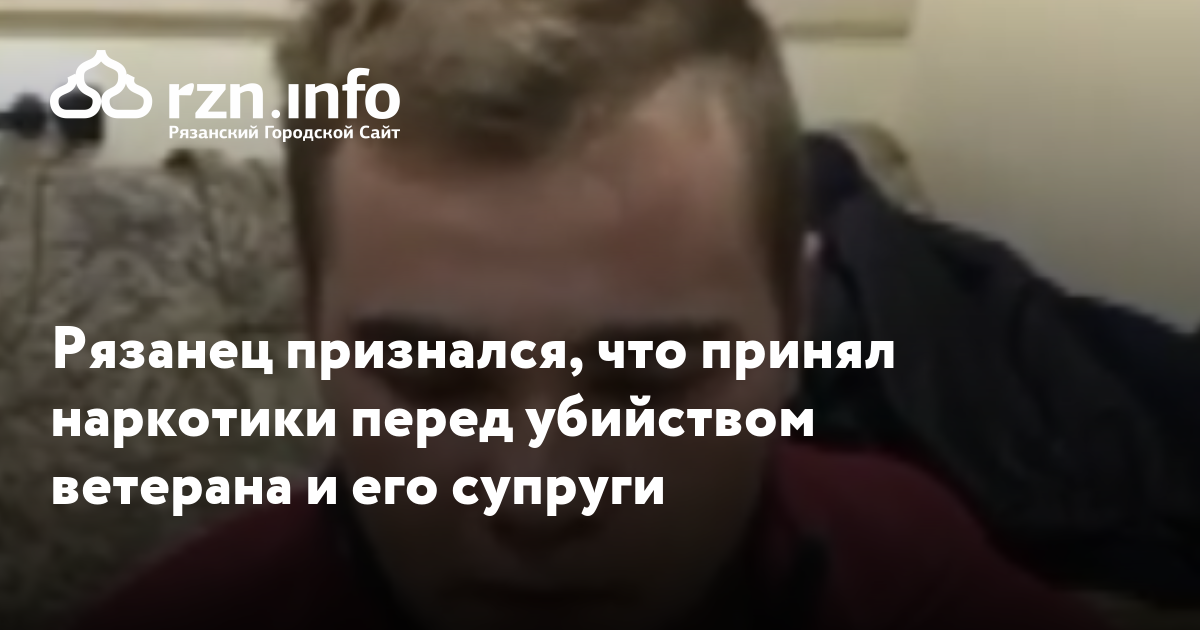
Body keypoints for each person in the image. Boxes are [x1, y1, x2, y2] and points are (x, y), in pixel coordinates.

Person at [73, 1, 1109, 628]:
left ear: (794, 327)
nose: (538, 498)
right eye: (432, 380)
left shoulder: (904, 566)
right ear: (313, 337)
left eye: (650, 380)